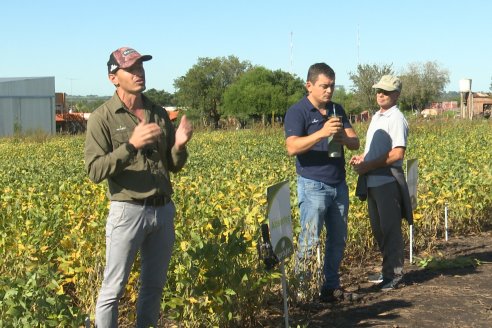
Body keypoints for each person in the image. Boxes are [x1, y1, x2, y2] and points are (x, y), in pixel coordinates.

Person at [84, 46, 193, 327]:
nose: (138, 73)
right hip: (127, 211)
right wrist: (131, 145)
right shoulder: (102, 118)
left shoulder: (157, 112)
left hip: (162, 210)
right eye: (131, 69)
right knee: (113, 289)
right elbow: (95, 170)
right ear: (113, 78)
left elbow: (173, 164)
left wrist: (179, 144)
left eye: (140, 67)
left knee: (153, 287)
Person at [284, 63, 360, 302]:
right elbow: (291, 147)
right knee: (309, 240)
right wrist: (322, 133)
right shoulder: (298, 111)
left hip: (338, 184)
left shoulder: (337, 109)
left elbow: (355, 142)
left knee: (338, 239)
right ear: (310, 85)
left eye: (332, 86)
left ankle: (330, 285)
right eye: (324, 86)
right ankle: (302, 292)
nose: (329, 91)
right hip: (312, 185)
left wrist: (342, 137)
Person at [350, 75, 413, 291]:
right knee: (379, 230)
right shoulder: (377, 116)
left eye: (385, 92)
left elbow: (397, 153)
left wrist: (369, 166)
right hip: (373, 181)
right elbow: (375, 149)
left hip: (387, 180)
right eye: (379, 90)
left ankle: (394, 275)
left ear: (396, 95)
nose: (380, 94)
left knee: (390, 229)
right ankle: (387, 271)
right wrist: (363, 158)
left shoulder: (396, 118)